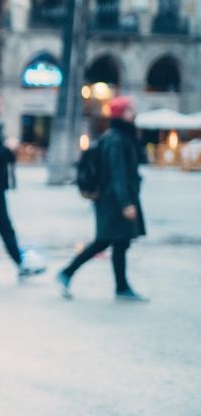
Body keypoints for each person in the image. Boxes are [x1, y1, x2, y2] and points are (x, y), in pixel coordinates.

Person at [57, 96, 147, 301]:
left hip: (116, 198)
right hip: (113, 200)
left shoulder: (120, 136)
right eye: (130, 110)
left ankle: (121, 287)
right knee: (105, 240)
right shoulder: (116, 138)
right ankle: (66, 272)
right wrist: (126, 203)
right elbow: (118, 173)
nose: (134, 114)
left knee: (120, 241)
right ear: (121, 113)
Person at [0, 95, 43, 280]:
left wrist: (10, 152)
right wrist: (7, 149)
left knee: (5, 228)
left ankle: (20, 263)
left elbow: (3, 159)